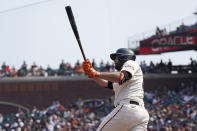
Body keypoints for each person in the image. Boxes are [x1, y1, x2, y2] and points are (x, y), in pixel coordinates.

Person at [82, 48, 149, 131]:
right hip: (140, 115)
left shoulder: (130, 63)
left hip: (128, 109)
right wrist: (92, 74)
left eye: (116, 57)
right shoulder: (126, 79)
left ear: (124, 57)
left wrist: (96, 73)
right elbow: (106, 83)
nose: (114, 60)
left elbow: (120, 77)